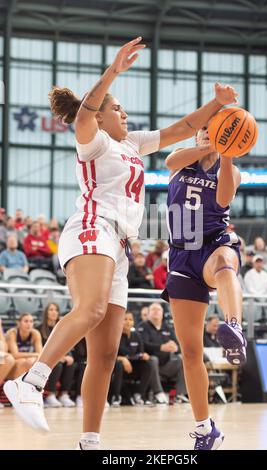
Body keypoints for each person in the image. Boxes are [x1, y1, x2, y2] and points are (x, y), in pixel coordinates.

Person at [4, 36, 238, 450]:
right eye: (117, 108)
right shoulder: (93, 140)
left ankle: (90, 441)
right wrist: (112, 72)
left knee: (107, 353)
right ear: (99, 116)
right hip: (94, 226)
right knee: (90, 309)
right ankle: (30, 381)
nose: (124, 113)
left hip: (121, 246)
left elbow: (183, 129)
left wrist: (217, 105)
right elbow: (88, 110)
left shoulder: (132, 143)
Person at [161, 124, 246, 450]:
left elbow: (224, 196)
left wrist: (225, 156)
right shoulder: (181, 162)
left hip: (213, 243)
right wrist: (208, 147)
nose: (208, 133)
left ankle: (234, 328)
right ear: (196, 136)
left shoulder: (232, 169)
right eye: (204, 131)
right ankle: (205, 428)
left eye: (216, 130)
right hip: (182, 256)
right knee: (191, 351)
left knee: (226, 266)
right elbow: (170, 159)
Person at [109, 311, 154, 406]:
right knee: (119, 365)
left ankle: (140, 395)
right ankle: (116, 397)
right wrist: (123, 359)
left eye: (130, 319)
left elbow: (140, 352)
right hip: (117, 369)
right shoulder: (115, 336)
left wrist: (144, 355)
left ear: (133, 322)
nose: (128, 322)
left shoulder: (136, 335)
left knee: (148, 364)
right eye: (125, 319)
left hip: (133, 367)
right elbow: (110, 355)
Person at [37, 303, 75, 408]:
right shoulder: (39, 329)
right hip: (45, 358)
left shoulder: (62, 328)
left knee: (71, 364)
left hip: (60, 357)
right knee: (57, 364)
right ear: (46, 313)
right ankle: (50, 394)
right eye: (51, 310)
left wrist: (69, 355)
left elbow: (67, 344)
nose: (54, 312)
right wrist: (58, 357)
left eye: (56, 310)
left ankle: (64, 394)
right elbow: (42, 349)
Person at [5, 314, 42, 378]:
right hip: (9, 362)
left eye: (31, 321)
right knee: (21, 362)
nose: (29, 324)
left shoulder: (35, 333)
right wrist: (34, 354)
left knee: (32, 361)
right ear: (18, 323)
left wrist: (33, 356)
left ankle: (29, 385)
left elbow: (40, 354)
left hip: (26, 360)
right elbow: (15, 355)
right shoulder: (12, 333)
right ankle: (16, 385)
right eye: (26, 321)